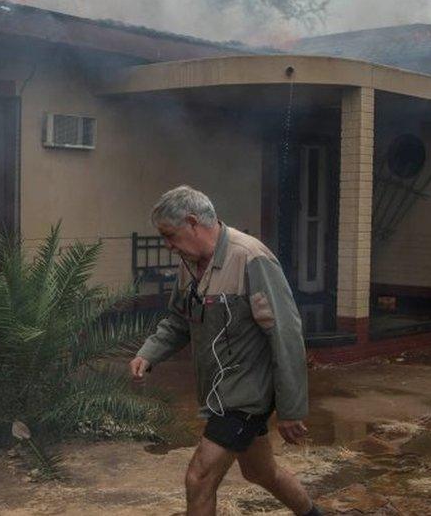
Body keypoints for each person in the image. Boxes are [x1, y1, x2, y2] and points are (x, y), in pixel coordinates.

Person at [130, 185, 320, 516]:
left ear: (192, 222)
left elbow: (286, 335)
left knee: (199, 477)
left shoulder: (251, 258)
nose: (168, 245)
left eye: (169, 235)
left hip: (246, 393)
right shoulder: (189, 266)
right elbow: (178, 320)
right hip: (218, 392)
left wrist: (291, 408)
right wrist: (148, 353)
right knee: (260, 472)